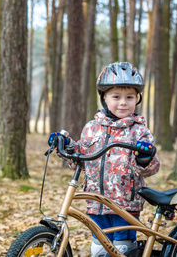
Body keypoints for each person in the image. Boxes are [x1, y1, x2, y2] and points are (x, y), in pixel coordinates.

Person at [50, 62, 160, 257]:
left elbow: (151, 168)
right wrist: (64, 144)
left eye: (130, 97)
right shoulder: (91, 128)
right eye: (116, 97)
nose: (123, 103)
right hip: (95, 204)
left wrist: (145, 158)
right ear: (104, 98)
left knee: (122, 250)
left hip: (124, 205)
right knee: (99, 251)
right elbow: (80, 156)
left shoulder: (139, 131)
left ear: (137, 99)